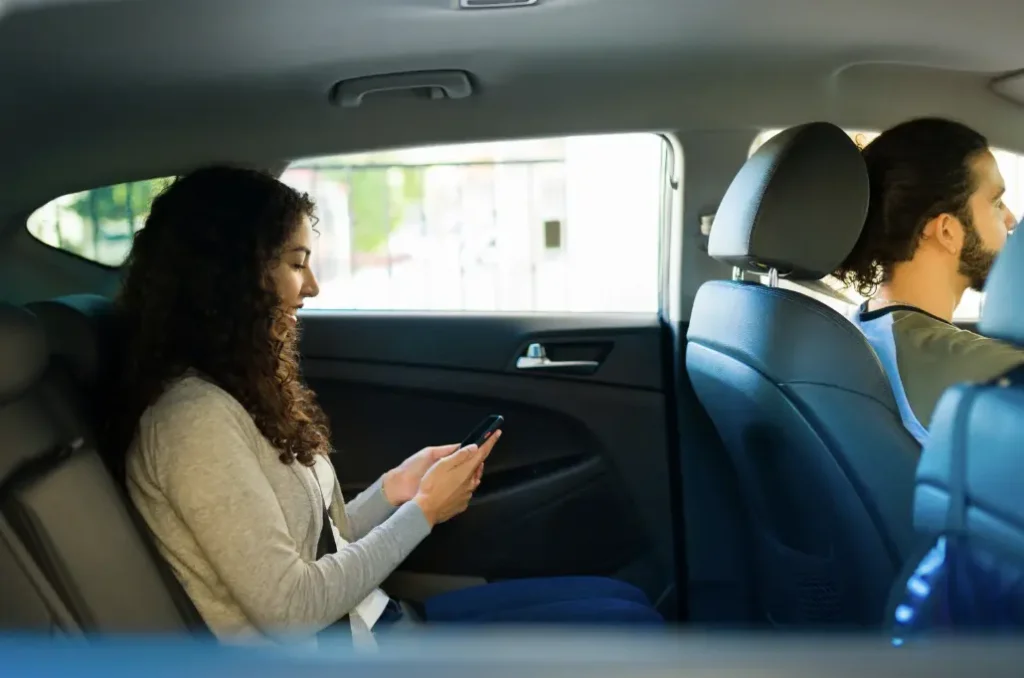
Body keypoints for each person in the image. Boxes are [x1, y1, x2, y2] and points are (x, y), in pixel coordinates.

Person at [112, 166, 660, 647]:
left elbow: (312, 546)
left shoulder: (235, 394)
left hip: (375, 626)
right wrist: (422, 513)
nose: (313, 287)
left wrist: (395, 490)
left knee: (622, 604)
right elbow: (291, 608)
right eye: (297, 263)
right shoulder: (193, 422)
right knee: (632, 634)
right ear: (233, 276)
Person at [833, 117, 1023, 444]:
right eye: (995, 202)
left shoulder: (862, 330)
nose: (1010, 219)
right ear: (947, 231)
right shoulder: (966, 362)